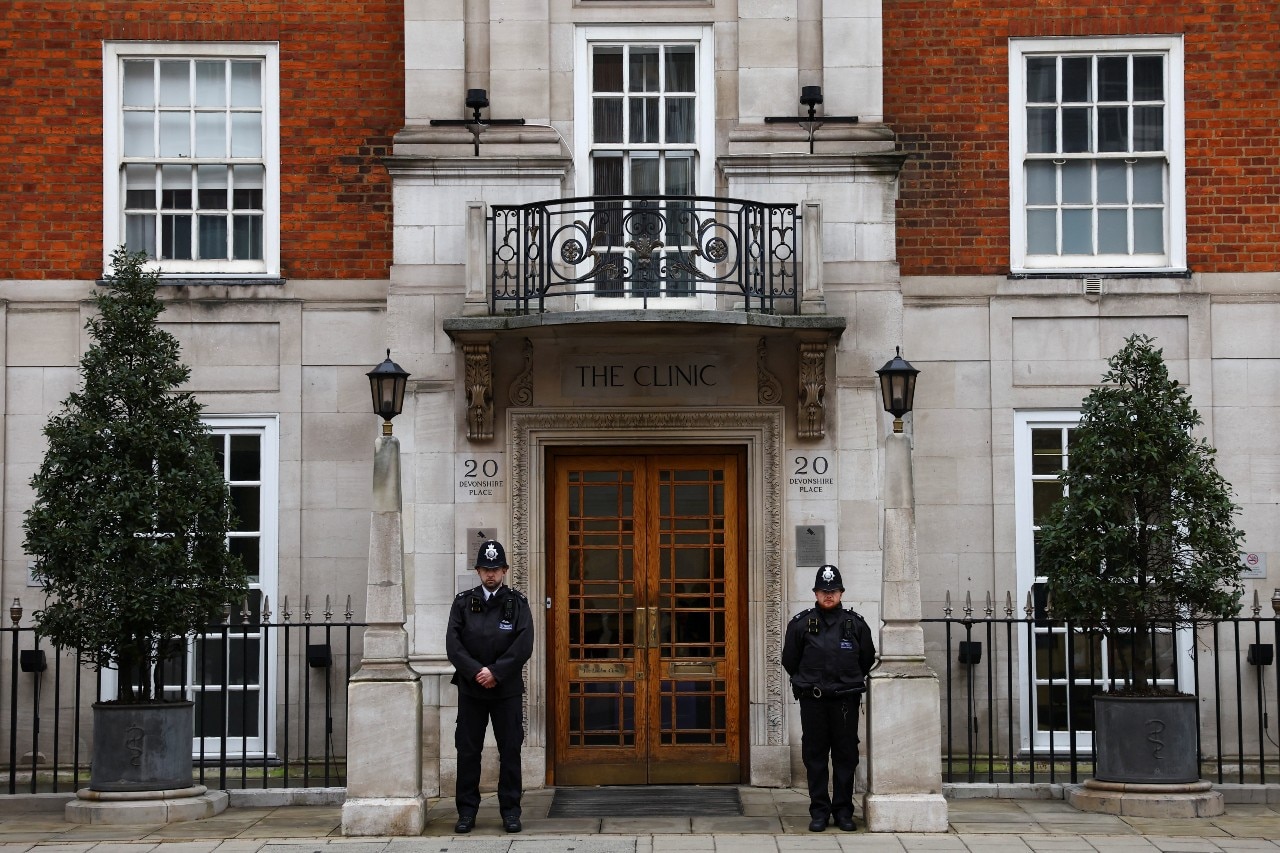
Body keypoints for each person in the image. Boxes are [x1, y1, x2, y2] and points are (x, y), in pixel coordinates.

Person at [445, 539, 534, 834]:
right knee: (468, 751)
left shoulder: (517, 603)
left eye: (496, 569)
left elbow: (523, 644)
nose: (491, 574)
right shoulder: (462, 602)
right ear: (478, 570)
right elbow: (454, 646)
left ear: (505, 570)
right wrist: (476, 673)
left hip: (505, 690)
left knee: (510, 750)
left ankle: (510, 811)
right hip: (472, 690)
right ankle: (467, 812)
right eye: (486, 569)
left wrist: (495, 672)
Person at [781, 564, 876, 832]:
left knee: (846, 756)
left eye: (833, 591)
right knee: (815, 756)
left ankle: (844, 811)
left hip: (845, 701)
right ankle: (819, 811)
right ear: (815, 592)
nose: (828, 595)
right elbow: (790, 660)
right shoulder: (801, 624)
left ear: (842, 592)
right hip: (814, 700)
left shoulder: (855, 625)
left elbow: (866, 659)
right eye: (824, 591)